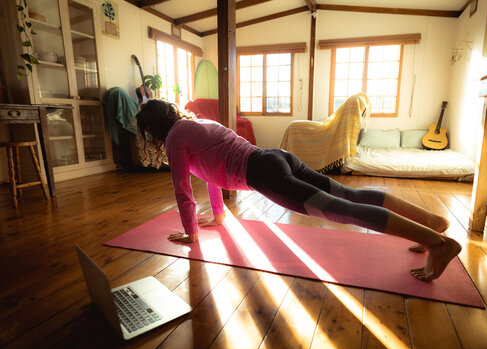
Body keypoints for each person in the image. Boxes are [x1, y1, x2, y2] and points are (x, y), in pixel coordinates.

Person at [135, 99, 461, 282]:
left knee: (340, 210)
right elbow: (211, 171)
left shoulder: (176, 138)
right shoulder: (198, 124)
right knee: (352, 196)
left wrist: (190, 232)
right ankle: (433, 222)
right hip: (276, 157)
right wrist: (219, 214)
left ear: (154, 128)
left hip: (264, 174)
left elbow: (181, 188)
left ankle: (440, 244)